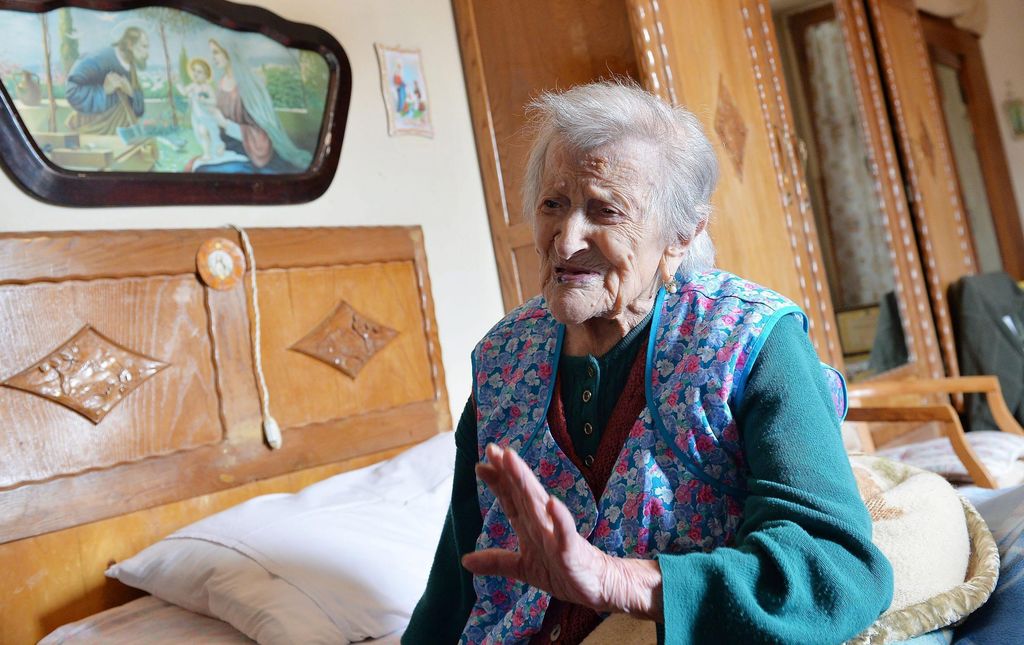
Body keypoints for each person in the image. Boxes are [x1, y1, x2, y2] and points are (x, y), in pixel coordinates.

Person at [403, 82, 893, 644]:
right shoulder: (502, 361)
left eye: (605, 211)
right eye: (552, 205)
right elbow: (454, 589)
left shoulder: (752, 341)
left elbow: (836, 566)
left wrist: (620, 581)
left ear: (682, 235)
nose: (565, 242)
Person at [197, 38, 313, 174]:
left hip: (252, 149)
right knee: (197, 167)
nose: (213, 58)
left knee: (206, 171)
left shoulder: (250, 85)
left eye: (216, 52)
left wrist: (224, 123)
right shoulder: (221, 83)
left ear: (228, 52)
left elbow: (262, 129)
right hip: (226, 146)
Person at [65, 26, 149, 135]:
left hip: (121, 135)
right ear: (129, 44)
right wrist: (103, 91)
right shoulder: (98, 59)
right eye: (144, 46)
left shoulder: (130, 65)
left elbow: (139, 110)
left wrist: (131, 93)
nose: (147, 53)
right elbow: (71, 91)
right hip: (94, 133)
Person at [177, 57, 225, 161]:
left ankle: (218, 145)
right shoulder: (193, 86)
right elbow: (184, 92)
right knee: (202, 133)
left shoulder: (207, 87)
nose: (195, 74)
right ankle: (207, 153)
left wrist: (204, 100)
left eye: (199, 72)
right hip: (197, 117)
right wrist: (178, 84)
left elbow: (214, 101)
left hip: (207, 115)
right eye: (194, 70)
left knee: (212, 132)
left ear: (206, 75)